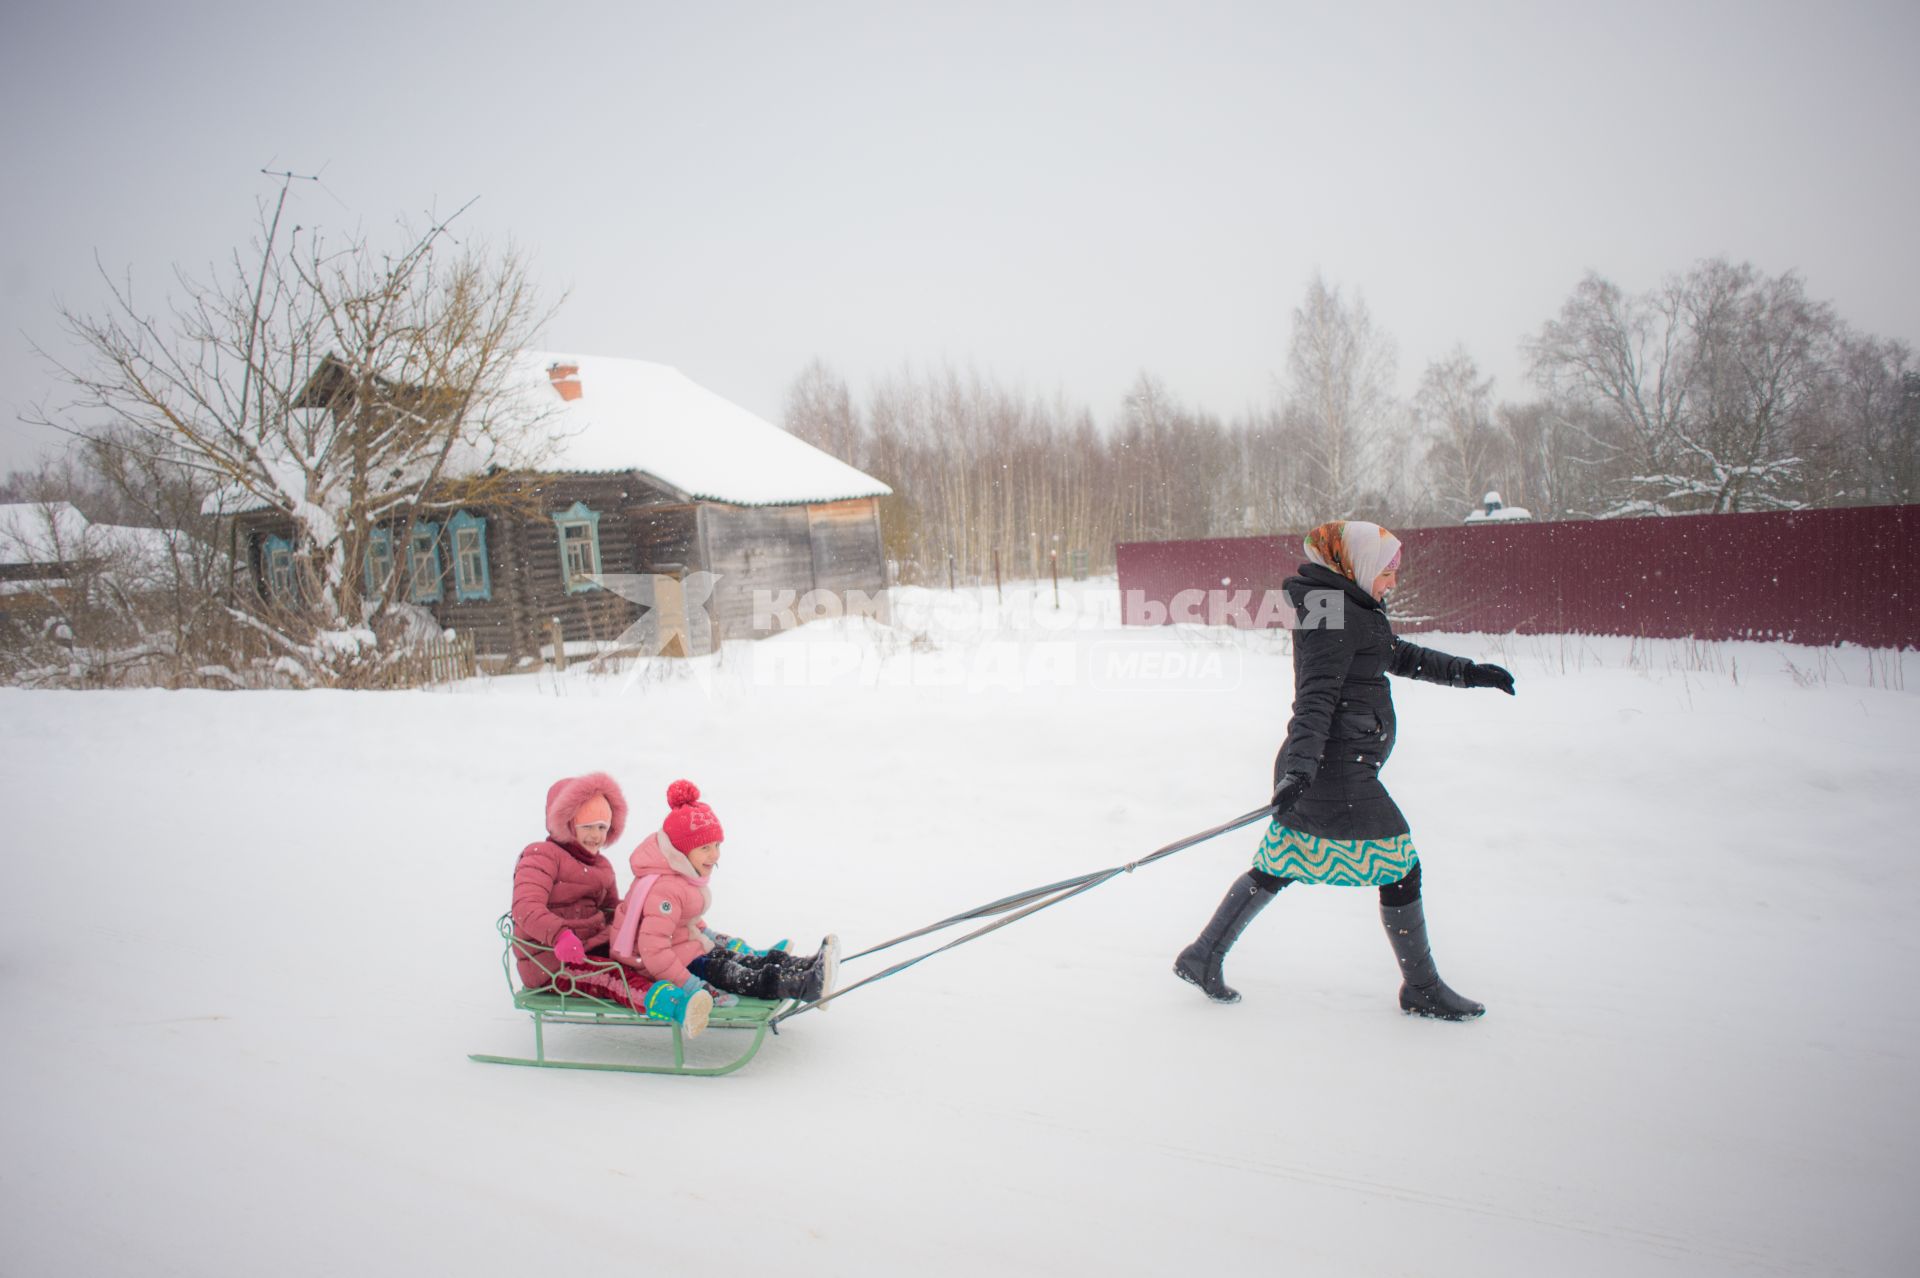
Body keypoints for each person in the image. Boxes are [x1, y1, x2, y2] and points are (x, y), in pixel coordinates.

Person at [1173, 520, 1515, 1020]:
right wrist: (1301, 771)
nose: (1392, 582)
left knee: (1280, 865)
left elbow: (1396, 655)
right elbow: (1314, 699)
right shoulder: (1331, 613)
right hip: (1335, 772)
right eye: (1388, 571)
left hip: (1337, 766)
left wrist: (1468, 673)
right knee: (1401, 866)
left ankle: (1203, 955)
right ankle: (1422, 987)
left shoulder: (1350, 608)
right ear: (1356, 564)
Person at [511, 771, 712, 1035]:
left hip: (593, 947)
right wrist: (560, 936)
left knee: (646, 956)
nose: (595, 836)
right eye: (587, 826)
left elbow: (610, 910)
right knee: (612, 977)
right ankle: (678, 1006)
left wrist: (644, 916)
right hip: (550, 961)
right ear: (567, 824)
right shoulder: (541, 856)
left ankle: (711, 975)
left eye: (602, 827)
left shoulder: (601, 865)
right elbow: (525, 907)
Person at [610, 780, 839, 1007]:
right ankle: (806, 985)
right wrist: (692, 985)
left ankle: (806, 966)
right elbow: (654, 952)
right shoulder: (664, 891)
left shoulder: (682, 876)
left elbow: (689, 924)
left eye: (717, 845)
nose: (715, 855)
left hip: (690, 951)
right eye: (705, 848)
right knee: (737, 975)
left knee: (745, 961)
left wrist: (719, 941)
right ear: (681, 852)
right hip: (672, 967)